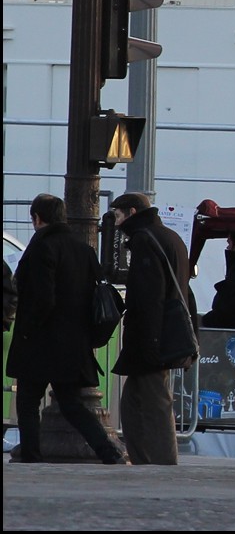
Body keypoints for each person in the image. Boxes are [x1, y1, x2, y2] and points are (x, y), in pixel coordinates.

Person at [9, 194, 129, 465]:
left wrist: (27, 330)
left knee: (28, 402)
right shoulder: (83, 249)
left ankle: (31, 455)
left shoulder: (42, 248)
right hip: (73, 342)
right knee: (72, 403)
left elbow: (42, 298)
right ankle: (107, 451)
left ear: (37, 218)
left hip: (41, 341)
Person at [111, 191, 195, 466]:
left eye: (118, 216)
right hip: (163, 332)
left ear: (132, 213)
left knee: (156, 400)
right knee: (133, 402)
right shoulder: (170, 237)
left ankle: (162, 461)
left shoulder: (145, 240)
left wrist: (150, 341)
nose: (116, 223)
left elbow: (149, 296)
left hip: (152, 335)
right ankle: (142, 458)